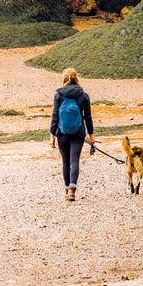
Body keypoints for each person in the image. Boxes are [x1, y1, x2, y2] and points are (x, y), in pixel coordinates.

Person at [49, 67, 95, 201]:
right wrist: (91, 134)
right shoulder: (83, 95)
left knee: (65, 161)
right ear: (77, 78)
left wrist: (52, 135)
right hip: (78, 132)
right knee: (75, 160)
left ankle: (66, 189)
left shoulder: (58, 95)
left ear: (64, 79)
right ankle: (72, 190)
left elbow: (55, 115)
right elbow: (88, 117)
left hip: (62, 132)